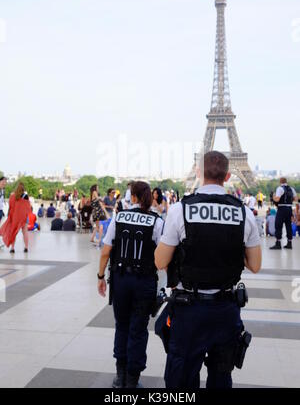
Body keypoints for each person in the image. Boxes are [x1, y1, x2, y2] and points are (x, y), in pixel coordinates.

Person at [154, 151, 262, 389]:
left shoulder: (180, 210)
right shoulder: (244, 213)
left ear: (198, 172)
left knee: (181, 379)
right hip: (226, 309)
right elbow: (254, 265)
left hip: (188, 310)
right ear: (228, 175)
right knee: (221, 377)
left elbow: (160, 262)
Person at [97, 181, 164, 388]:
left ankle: (120, 375)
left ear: (132, 197)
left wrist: (100, 276)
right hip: (144, 281)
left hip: (121, 280)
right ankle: (133, 379)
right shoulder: (157, 221)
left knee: (122, 326)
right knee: (138, 329)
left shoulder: (120, 216)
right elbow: (162, 258)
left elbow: (106, 251)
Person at [0, 182, 32, 253]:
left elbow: (11, 207)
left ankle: (12, 248)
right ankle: (26, 247)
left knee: (14, 233)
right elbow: (28, 207)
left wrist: (9, 216)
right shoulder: (25, 196)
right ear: (23, 189)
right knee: (25, 233)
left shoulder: (13, 196)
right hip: (24, 217)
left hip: (15, 218)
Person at [270, 177, 298, 250]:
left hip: (282, 209)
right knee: (288, 226)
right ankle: (289, 243)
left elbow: (277, 199)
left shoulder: (280, 188)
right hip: (289, 208)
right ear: (286, 181)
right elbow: (296, 199)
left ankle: (278, 243)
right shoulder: (291, 189)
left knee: (278, 225)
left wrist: (273, 197)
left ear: (280, 182)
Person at [0, 176, 7, 248]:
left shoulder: (3, 190)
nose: (5, 183)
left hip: (0, 210)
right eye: (4, 181)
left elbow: (2, 199)